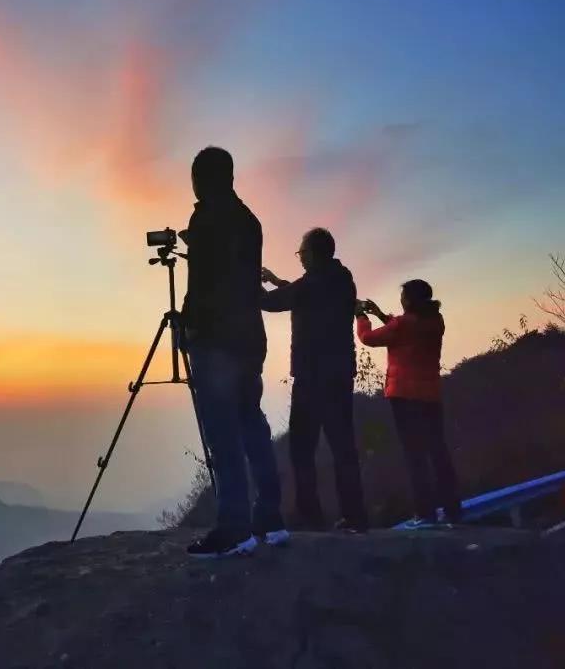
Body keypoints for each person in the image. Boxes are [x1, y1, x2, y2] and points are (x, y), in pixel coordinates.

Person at [180, 146, 288, 557]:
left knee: (222, 432)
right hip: (249, 339)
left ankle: (234, 528)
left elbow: (205, 284)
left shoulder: (207, 217)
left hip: (216, 341)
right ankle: (271, 519)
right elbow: (238, 277)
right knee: (251, 424)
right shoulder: (248, 219)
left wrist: (189, 326)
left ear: (203, 178)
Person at [260, 228, 369, 533]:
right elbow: (301, 294)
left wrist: (246, 281)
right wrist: (277, 281)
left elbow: (272, 302)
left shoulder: (312, 284)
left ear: (313, 254)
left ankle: (310, 518)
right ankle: (355, 516)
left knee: (302, 448)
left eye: (302, 253)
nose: (300, 258)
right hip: (339, 374)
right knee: (343, 447)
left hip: (312, 376)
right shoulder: (342, 279)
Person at [357, 280, 461, 528]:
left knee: (415, 455)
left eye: (403, 296)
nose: (401, 299)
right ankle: (453, 510)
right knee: (438, 451)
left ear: (410, 300)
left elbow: (368, 338)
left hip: (405, 396)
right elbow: (402, 330)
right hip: (430, 395)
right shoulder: (435, 321)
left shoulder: (403, 325)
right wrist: (381, 315)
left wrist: (361, 316)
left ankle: (425, 513)